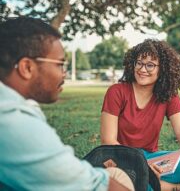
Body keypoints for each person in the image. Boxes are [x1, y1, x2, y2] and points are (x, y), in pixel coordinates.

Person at [0, 17, 134, 191]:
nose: (64, 74)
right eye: (60, 64)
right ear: (27, 67)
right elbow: (95, 185)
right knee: (117, 178)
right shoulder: (13, 122)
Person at [100, 39, 180, 191]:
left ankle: (150, 184)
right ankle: (177, 188)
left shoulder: (168, 95)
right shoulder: (116, 92)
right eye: (139, 63)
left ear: (163, 69)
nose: (142, 69)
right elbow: (108, 141)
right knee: (121, 179)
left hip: (151, 159)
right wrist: (142, 166)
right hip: (121, 159)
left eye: (150, 65)